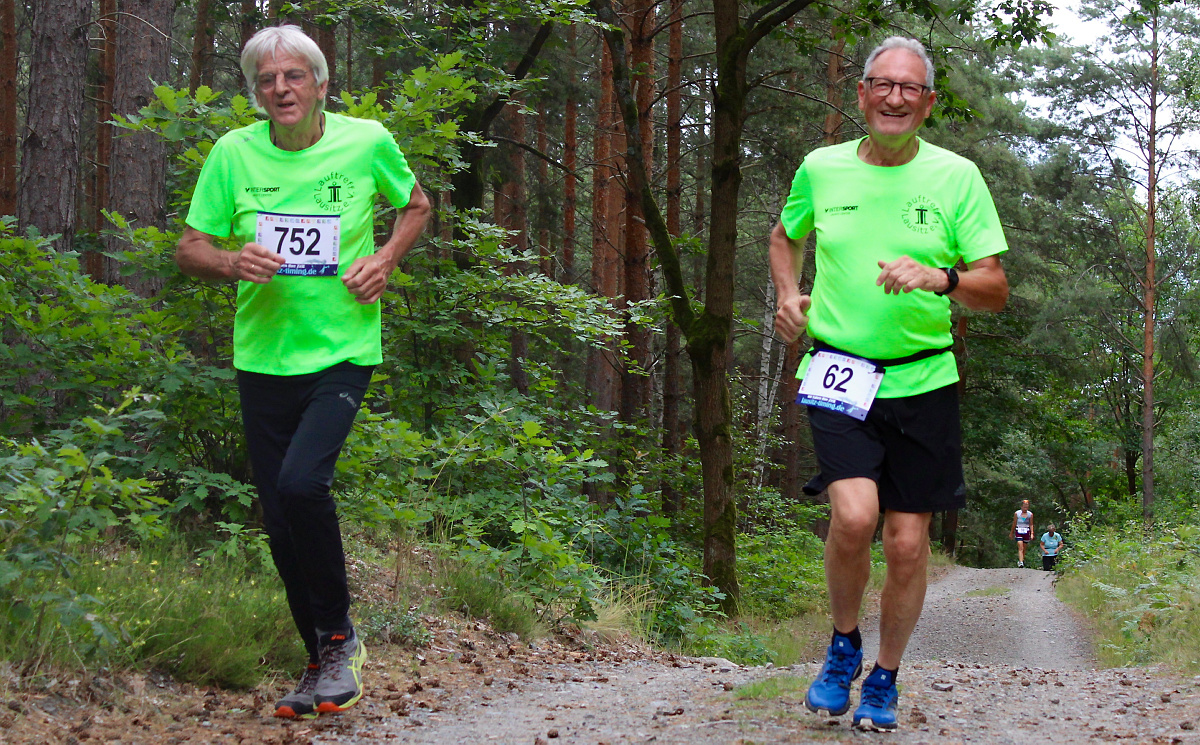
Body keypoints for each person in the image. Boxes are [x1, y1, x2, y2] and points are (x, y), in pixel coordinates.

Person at [175, 25, 431, 719]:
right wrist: (231, 261)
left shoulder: (366, 140)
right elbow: (189, 247)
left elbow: (417, 205)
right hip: (262, 355)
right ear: (256, 92)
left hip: (343, 348)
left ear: (321, 84)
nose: (281, 89)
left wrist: (384, 259)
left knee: (301, 483)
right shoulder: (234, 153)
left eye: (294, 76)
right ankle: (318, 659)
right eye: (267, 80)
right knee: (281, 519)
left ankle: (341, 639)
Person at [769, 36, 1009, 732]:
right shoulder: (821, 169)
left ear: (928, 103)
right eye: (883, 84)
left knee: (907, 542)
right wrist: (789, 293)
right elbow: (785, 236)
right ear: (863, 93)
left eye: (910, 88)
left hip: (924, 378)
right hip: (840, 369)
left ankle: (886, 676)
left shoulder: (957, 178)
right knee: (852, 515)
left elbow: (995, 287)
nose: (895, 98)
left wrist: (944, 277)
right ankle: (844, 645)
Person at [1010, 500, 1034, 567]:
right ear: (1021, 507)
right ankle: (1021, 562)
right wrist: (1011, 532)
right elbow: (1014, 523)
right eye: (1024, 507)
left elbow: (1031, 524)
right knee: (1020, 547)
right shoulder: (1017, 513)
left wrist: (1032, 533)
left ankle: (1022, 559)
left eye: (1026, 507)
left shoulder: (1030, 514)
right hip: (1019, 530)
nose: (1025, 508)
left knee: (1024, 547)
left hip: (1026, 530)